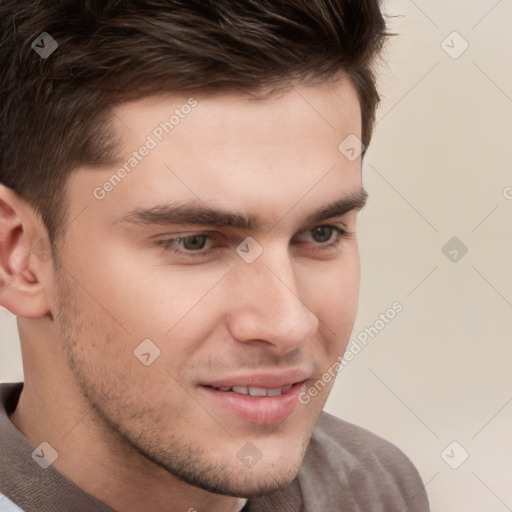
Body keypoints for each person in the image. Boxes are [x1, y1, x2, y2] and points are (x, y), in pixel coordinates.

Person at [0, 1, 430, 511]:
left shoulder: (371, 489)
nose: (287, 323)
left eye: (320, 232)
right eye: (195, 242)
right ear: (18, 257)